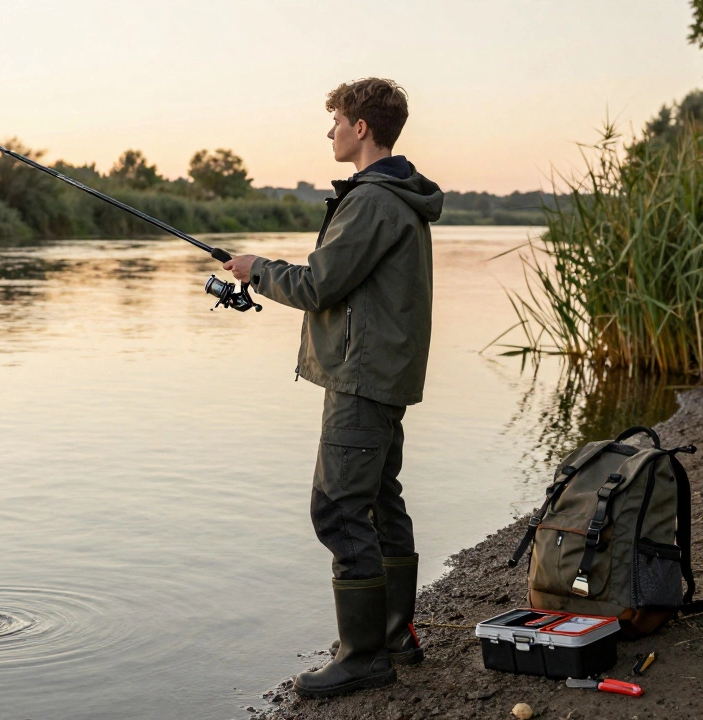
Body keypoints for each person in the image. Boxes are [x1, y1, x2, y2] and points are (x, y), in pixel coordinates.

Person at [222, 78, 443, 698]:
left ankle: (363, 655)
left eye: (337, 121)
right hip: (381, 371)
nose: (331, 132)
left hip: (362, 375)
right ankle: (395, 634)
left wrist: (255, 269)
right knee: (379, 498)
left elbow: (319, 285)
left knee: (339, 507)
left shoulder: (373, 200)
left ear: (362, 128)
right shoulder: (397, 195)